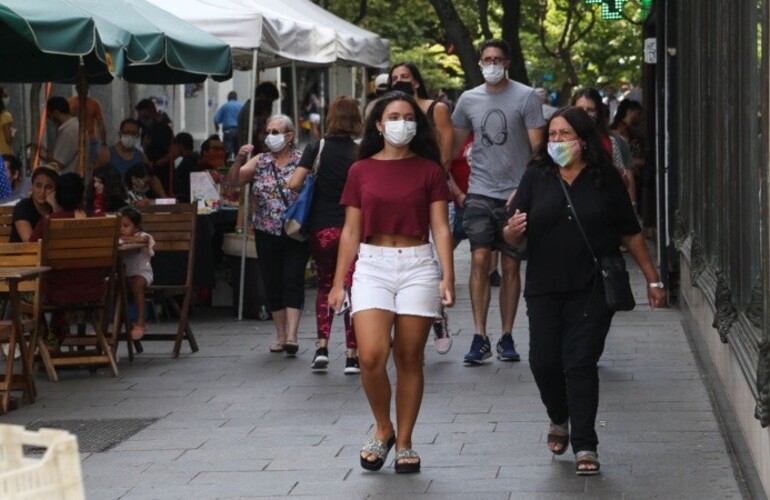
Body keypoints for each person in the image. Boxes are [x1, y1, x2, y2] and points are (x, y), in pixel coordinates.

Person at [502, 106, 666, 476]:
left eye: (565, 135)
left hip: (592, 285)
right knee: (543, 362)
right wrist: (511, 231)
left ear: (583, 139)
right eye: (552, 135)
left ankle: (586, 444)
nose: (557, 141)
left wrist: (653, 280)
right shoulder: (536, 176)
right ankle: (559, 416)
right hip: (544, 285)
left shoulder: (603, 177)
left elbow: (630, 231)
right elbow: (510, 230)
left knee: (579, 362)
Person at [327, 92, 454, 474]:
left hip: (418, 264)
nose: (402, 122)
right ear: (379, 126)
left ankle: (405, 442)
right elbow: (350, 231)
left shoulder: (430, 170)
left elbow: (441, 227)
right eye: (393, 116)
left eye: (408, 116)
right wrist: (337, 284)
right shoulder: (360, 170)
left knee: (410, 357)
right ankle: (383, 427)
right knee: (370, 355)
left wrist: (448, 275)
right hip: (372, 264)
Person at [451, 39, 546, 364]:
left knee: (510, 264)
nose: (492, 64)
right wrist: (456, 191)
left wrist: (524, 189)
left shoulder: (526, 96)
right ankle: (479, 336)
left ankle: (506, 336)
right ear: (480, 63)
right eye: (487, 59)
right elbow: (450, 150)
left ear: (507, 63)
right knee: (479, 259)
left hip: (515, 193)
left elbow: (538, 149)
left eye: (498, 59)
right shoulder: (468, 99)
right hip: (479, 191)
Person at [287, 96, 362, 374]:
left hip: (321, 228)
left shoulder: (315, 147)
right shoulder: (360, 151)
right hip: (353, 230)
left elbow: (295, 183)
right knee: (351, 289)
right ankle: (352, 356)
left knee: (325, 285)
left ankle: (321, 347)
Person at [227, 114, 309, 356]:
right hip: (266, 230)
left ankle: (293, 335)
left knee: (293, 279)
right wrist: (240, 158)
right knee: (272, 281)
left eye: (276, 132)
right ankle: (280, 335)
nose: (269, 136)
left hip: (296, 231)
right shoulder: (260, 160)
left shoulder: (302, 160)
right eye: (268, 131)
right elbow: (234, 182)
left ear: (289, 136)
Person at [388, 62, 455, 354]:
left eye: (405, 77)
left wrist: (430, 183)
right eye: (395, 79)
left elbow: (447, 153)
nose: (400, 82)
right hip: (396, 194)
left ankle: (437, 314)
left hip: (429, 191)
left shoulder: (435, 109)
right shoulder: (385, 111)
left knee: (431, 258)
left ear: (416, 82)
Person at [571, 88, 637, 206]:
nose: (585, 114)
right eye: (580, 109)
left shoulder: (610, 143)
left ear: (598, 112)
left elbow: (623, 179)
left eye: (590, 110)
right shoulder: (560, 142)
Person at [118, 206, 155, 340]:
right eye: (119, 225)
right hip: (123, 275)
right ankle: (102, 325)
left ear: (137, 227)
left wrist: (128, 239)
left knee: (137, 283)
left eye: (126, 225)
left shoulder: (142, 235)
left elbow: (144, 241)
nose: (121, 229)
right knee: (105, 283)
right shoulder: (119, 239)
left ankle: (141, 321)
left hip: (142, 273)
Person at [9, 166, 58, 242]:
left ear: (55, 190)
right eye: (38, 186)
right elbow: (29, 241)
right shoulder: (22, 207)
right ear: (32, 187)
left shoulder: (57, 207)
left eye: (48, 187)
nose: (42, 191)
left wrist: (55, 207)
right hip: (24, 252)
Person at [135, 99, 174, 195]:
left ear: (152, 112)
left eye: (144, 117)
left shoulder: (164, 129)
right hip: (149, 172)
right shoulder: (147, 127)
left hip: (162, 173)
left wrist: (155, 164)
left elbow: (171, 153)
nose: (142, 120)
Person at [238, 82, 280, 153]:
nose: (270, 104)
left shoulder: (250, 108)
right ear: (262, 96)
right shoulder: (250, 111)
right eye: (270, 100)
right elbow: (247, 135)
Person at [68, 91, 107, 164]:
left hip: (90, 139)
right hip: (74, 139)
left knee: (91, 164)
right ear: (77, 88)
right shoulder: (70, 103)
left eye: (86, 88)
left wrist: (104, 143)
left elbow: (101, 124)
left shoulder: (94, 104)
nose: (83, 90)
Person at [44, 97, 80, 173]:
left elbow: (58, 163)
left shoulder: (69, 131)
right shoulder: (76, 126)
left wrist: (42, 154)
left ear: (56, 113)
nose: (50, 120)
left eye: (49, 116)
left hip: (68, 180)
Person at [214, 91, 243, 158]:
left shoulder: (225, 106)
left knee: (227, 150)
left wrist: (216, 127)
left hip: (228, 130)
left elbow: (216, 119)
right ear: (236, 98)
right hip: (239, 130)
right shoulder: (241, 106)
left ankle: (228, 163)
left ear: (228, 98)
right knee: (238, 149)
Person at [0, 88, 15, 156]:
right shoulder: (5, 116)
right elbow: (8, 139)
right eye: (5, 96)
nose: (8, 98)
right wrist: (13, 132)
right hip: (4, 156)